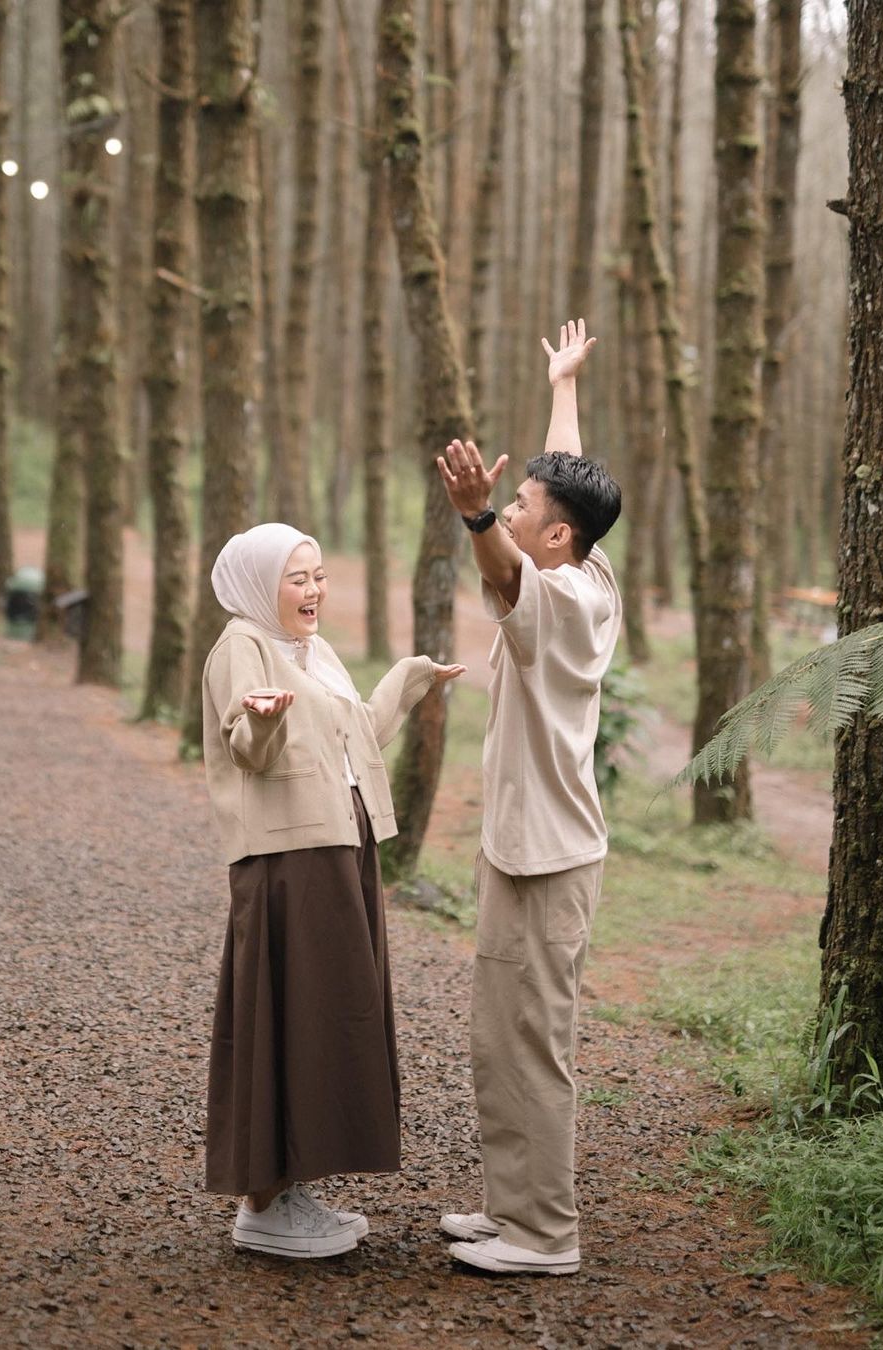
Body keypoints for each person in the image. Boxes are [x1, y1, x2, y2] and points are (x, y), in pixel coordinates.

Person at [201, 521, 465, 1259]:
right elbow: (245, 749)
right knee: (286, 1013)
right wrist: (264, 725)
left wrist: (407, 681)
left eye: (317, 575)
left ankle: (296, 1187)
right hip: (290, 858)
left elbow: (356, 739)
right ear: (261, 585)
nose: (314, 590)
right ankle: (263, 1203)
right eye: (297, 578)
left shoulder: (311, 653)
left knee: (328, 1013)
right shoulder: (241, 648)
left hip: (343, 846)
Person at [435, 318, 623, 1276]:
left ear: (553, 536)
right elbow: (566, 482)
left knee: (534, 1045)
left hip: (550, 858)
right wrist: (563, 384)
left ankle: (546, 1235)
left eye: (519, 503)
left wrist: (474, 519)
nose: (509, 507)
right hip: (522, 847)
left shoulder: (562, 598)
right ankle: (510, 1207)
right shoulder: (581, 557)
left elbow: (505, 565)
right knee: (494, 1036)